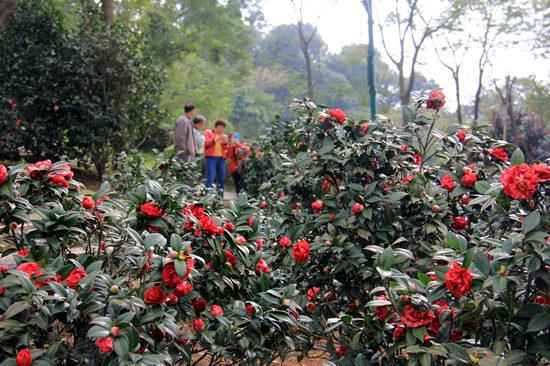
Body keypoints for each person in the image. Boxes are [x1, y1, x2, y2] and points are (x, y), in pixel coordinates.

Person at [204, 120, 228, 191]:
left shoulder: (224, 136)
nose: (221, 129)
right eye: (220, 127)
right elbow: (205, 143)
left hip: (221, 158)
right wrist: (216, 139)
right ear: (216, 126)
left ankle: (220, 193)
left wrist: (226, 143)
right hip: (211, 157)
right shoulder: (208, 133)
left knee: (221, 177)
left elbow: (226, 148)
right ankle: (208, 192)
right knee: (211, 175)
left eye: (223, 128)